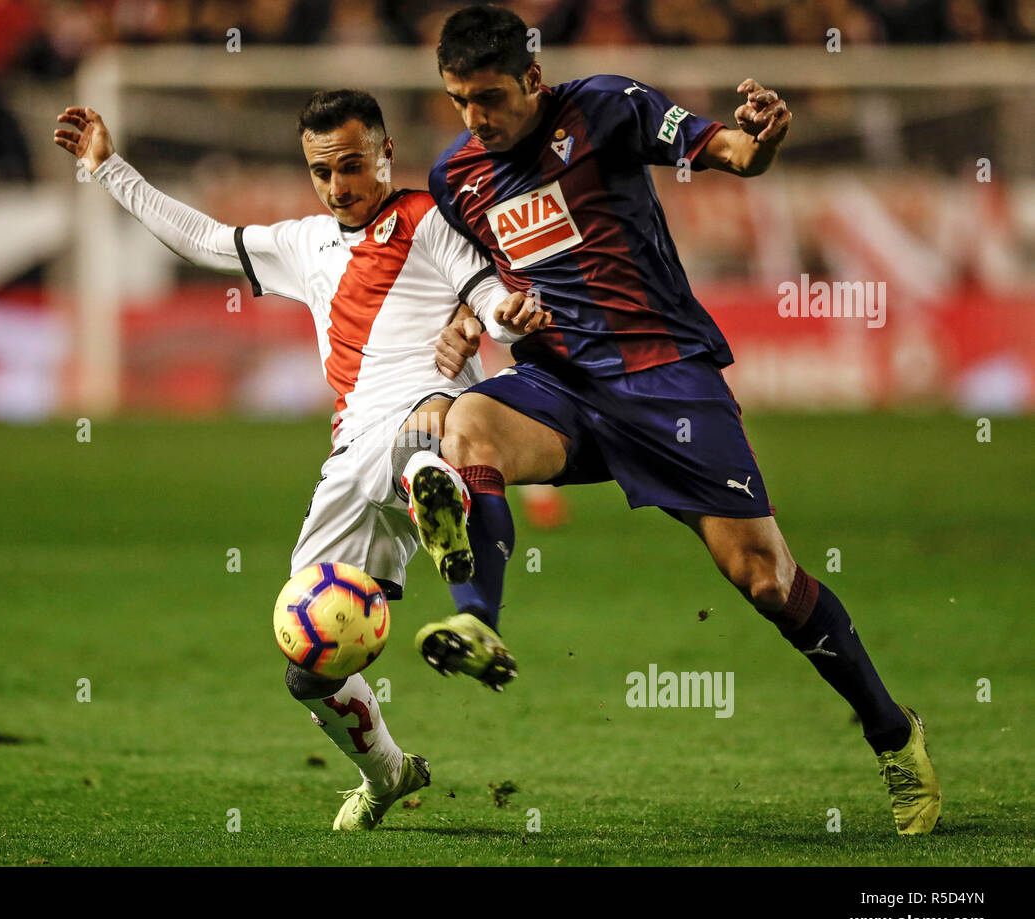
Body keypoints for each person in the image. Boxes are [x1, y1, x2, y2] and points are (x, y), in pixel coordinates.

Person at [411, 5, 940, 836]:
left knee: (766, 581)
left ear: (532, 80)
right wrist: (471, 319)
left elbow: (731, 153)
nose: (475, 118)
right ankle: (477, 620)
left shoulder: (608, 107)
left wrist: (758, 138)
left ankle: (891, 732)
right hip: (560, 384)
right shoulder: (457, 177)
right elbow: (481, 278)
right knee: (464, 428)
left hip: (666, 383)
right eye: (458, 101)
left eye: (488, 98)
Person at [53, 89, 547, 830]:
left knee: (428, 433)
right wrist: (109, 167)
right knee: (306, 667)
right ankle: (388, 773)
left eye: (352, 165)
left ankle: (437, 501)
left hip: (432, 410)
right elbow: (204, 240)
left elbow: (491, 294)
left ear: (384, 151)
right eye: (322, 171)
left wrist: (489, 318)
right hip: (352, 459)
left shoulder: (430, 220)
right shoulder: (304, 244)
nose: (338, 185)